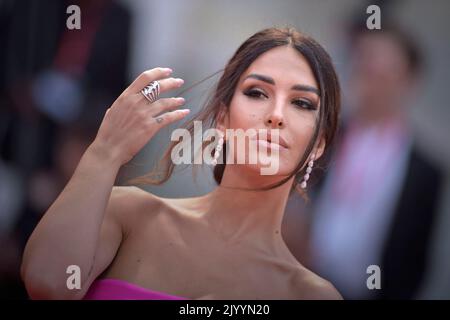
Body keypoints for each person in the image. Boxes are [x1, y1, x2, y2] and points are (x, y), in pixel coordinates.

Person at [20, 27, 342, 300]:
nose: (276, 115)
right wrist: (105, 151)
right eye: (257, 92)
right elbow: (46, 281)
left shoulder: (309, 293)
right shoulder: (129, 214)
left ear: (319, 143)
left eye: (302, 103)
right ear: (222, 118)